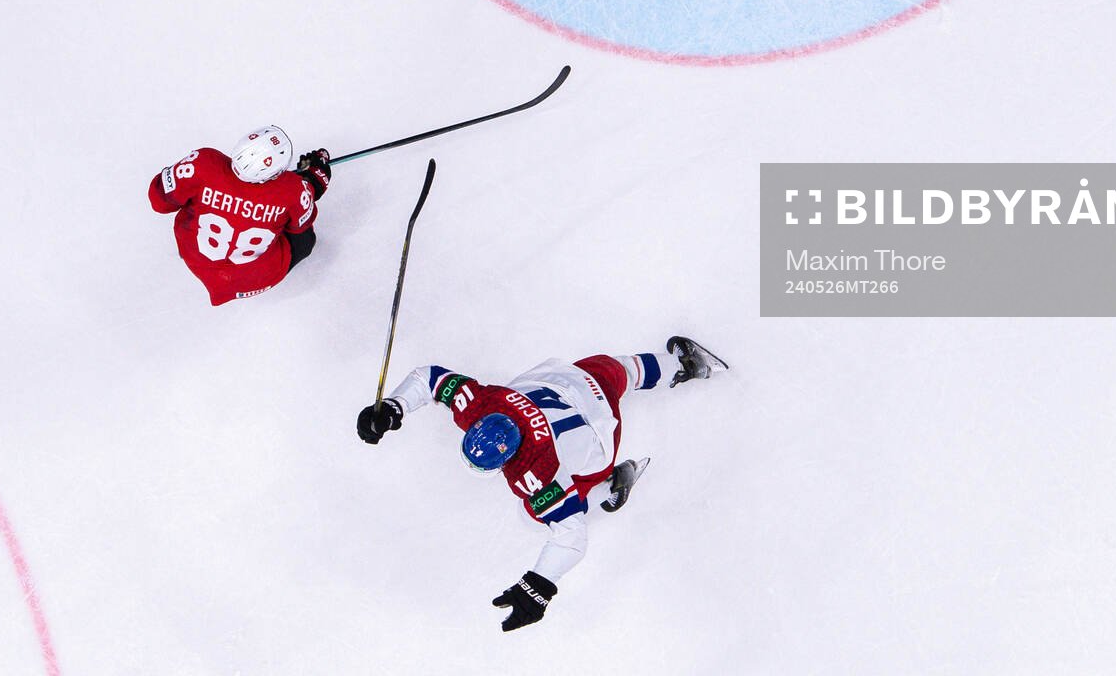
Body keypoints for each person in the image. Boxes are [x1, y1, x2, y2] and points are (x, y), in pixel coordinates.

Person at [357, 336, 728, 630]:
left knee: (540, 511)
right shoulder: (483, 405)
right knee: (618, 370)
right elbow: (430, 377)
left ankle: (607, 486)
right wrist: (394, 407)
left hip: (599, 434)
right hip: (578, 384)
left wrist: (540, 586)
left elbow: (571, 534)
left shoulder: (534, 474)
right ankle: (682, 364)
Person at [147, 127, 333, 305]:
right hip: (255, 278)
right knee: (306, 238)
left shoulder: (203, 163)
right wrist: (313, 181)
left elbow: (159, 203)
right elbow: (301, 224)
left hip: (195, 256)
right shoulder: (292, 190)